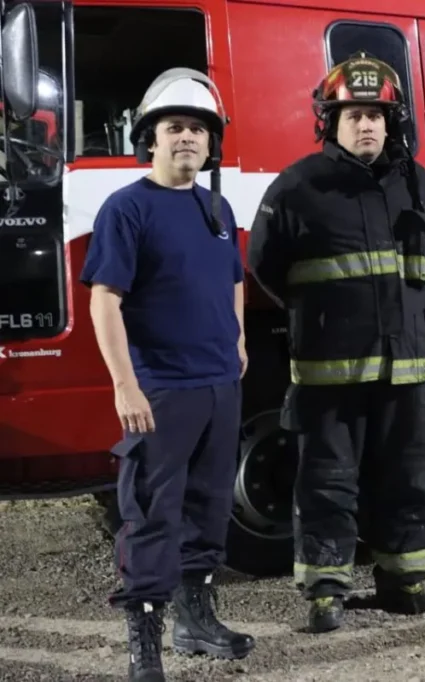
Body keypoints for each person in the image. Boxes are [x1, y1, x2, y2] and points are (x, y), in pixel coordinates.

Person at [246, 52, 425, 632]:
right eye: (354, 115)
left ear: (391, 123)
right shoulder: (298, 186)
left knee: (409, 478)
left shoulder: (419, 185)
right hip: (329, 372)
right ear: (330, 122)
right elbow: (265, 265)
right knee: (326, 481)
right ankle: (326, 590)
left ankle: (404, 579)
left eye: (376, 115)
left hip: (407, 369)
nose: (366, 125)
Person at [81, 68, 255, 682]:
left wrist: (238, 339)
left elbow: (233, 278)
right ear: (149, 139)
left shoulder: (216, 207)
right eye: (173, 127)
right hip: (160, 389)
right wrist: (124, 384)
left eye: (197, 129)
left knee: (209, 507)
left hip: (219, 386)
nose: (186, 137)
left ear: (211, 144)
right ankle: (145, 643)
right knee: (152, 514)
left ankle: (196, 619)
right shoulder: (127, 208)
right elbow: (105, 300)